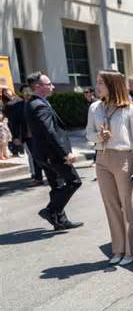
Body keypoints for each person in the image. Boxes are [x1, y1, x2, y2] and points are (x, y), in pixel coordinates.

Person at [86, 70, 133, 266]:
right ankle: (118, 249)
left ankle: (132, 250)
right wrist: (99, 137)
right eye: (97, 82)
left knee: (127, 206)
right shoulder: (95, 108)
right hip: (102, 158)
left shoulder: (129, 109)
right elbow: (88, 134)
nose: (97, 86)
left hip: (124, 158)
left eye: (101, 82)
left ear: (113, 85)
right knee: (111, 206)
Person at [25, 72, 83, 230]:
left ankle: (59, 220)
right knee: (74, 182)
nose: (53, 86)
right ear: (38, 87)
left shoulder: (34, 102)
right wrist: (66, 153)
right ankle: (51, 210)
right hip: (53, 154)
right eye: (48, 84)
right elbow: (50, 132)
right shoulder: (39, 106)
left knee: (57, 186)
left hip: (44, 154)